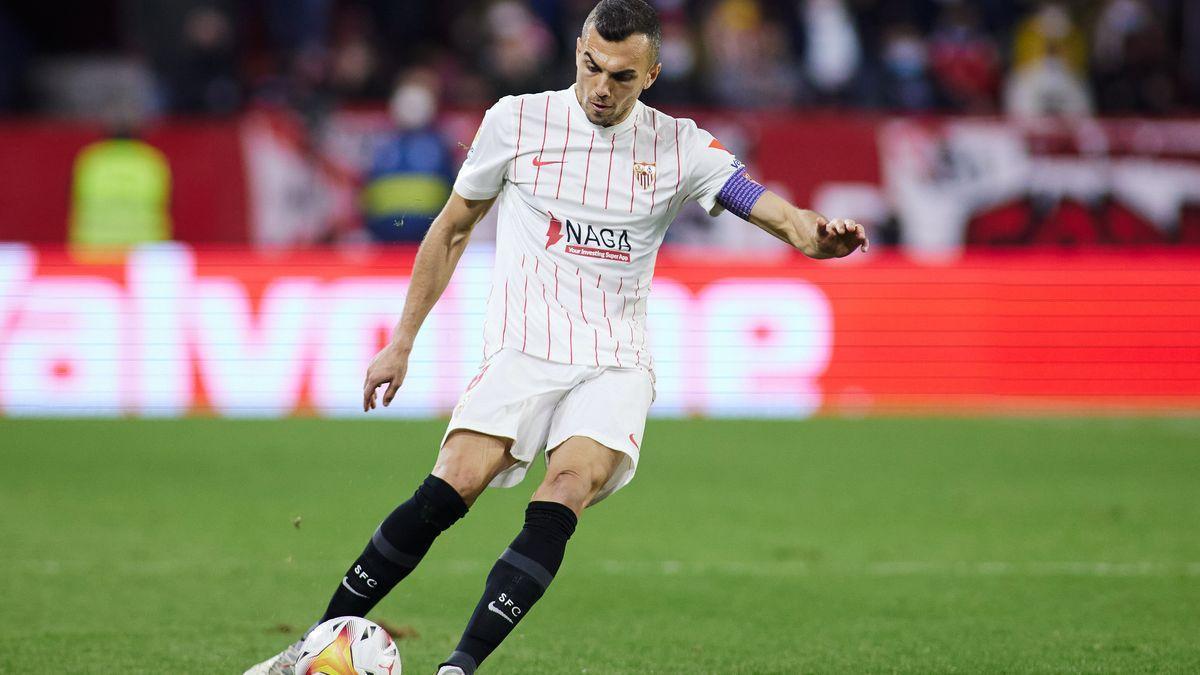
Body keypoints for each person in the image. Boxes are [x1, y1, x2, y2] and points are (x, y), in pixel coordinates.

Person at [245, 1, 867, 673]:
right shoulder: (516, 121)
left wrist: (814, 236)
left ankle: (458, 667)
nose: (602, 88)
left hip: (614, 363)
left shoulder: (681, 146)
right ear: (577, 50)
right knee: (452, 483)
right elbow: (452, 227)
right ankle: (308, 650)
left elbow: (770, 209)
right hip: (523, 348)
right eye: (591, 66)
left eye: (622, 77)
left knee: (563, 490)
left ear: (652, 73)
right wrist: (402, 340)